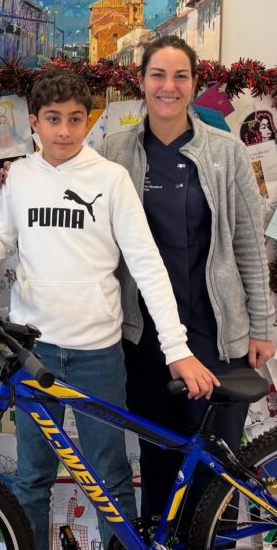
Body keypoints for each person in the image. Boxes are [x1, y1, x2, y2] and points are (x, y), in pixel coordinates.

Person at [0, 69, 215, 550]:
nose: (64, 132)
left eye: (76, 119)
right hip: (34, 351)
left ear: (88, 120)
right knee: (32, 476)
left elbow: (147, 266)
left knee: (109, 479)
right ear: (34, 122)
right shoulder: (23, 177)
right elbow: (1, 238)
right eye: (53, 120)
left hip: (98, 355)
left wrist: (175, 348)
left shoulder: (111, 179)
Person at [104, 35, 275, 523]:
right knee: (158, 460)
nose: (169, 86)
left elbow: (247, 243)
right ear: (140, 82)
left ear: (195, 84)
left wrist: (261, 327)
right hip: (146, 337)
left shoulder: (225, 152)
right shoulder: (116, 151)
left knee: (217, 468)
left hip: (218, 331)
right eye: (158, 74)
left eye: (180, 76)